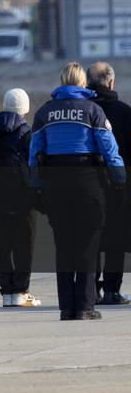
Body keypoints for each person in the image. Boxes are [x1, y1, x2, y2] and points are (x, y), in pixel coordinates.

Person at [30, 62, 125, 320]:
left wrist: (37, 186)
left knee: (64, 247)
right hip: (87, 182)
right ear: (83, 83)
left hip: (55, 184)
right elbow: (109, 149)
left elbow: (34, 153)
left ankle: (67, 307)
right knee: (87, 246)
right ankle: (85, 306)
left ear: (62, 82)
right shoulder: (93, 110)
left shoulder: (44, 113)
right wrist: (119, 180)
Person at [0, 88, 41, 307]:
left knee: (3, 244)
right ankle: (21, 290)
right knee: (24, 244)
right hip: (22, 195)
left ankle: (6, 292)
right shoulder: (27, 132)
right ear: (25, 108)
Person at [87, 62, 131, 306]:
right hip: (118, 185)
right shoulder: (124, 112)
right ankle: (113, 291)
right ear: (111, 83)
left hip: (87, 183)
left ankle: (92, 289)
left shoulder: (84, 110)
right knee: (116, 240)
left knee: (91, 239)